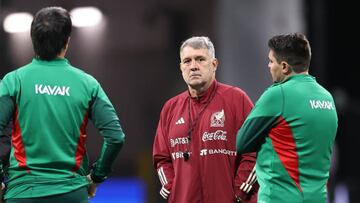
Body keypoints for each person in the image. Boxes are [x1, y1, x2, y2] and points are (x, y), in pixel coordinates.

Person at [0, 7, 125, 203]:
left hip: (23, 194)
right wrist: (96, 177)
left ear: (33, 39)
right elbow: (115, 137)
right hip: (72, 194)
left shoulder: (13, 81)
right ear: (67, 41)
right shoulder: (87, 84)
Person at [152, 36, 258, 203]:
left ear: (214, 64)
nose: (193, 66)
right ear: (181, 67)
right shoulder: (170, 108)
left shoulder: (237, 100)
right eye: (187, 61)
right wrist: (174, 189)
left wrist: (238, 193)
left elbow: (255, 151)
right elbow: (161, 158)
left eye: (200, 59)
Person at [236, 33, 338, 203]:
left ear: (284, 66)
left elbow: (242, 142)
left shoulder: (278, 94)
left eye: (271, 61)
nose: (268, 66)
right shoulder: (327, 98)